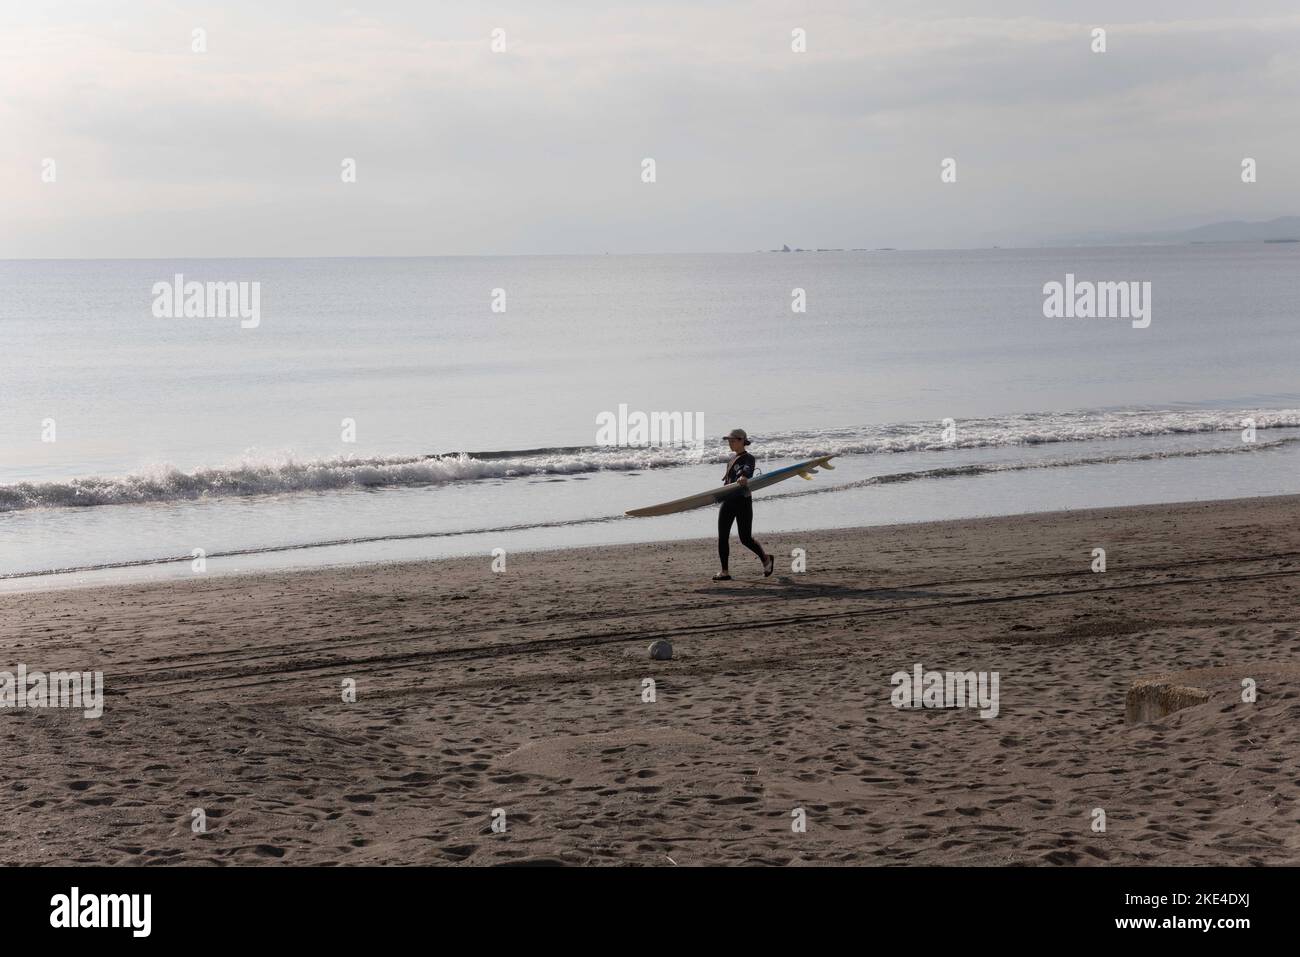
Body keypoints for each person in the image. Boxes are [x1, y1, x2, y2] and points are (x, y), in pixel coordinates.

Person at [714, 429, 775, 581]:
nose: (730, 443)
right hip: (728, 501)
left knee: (745, 538)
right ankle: (725, 571)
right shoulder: (731, 459)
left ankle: (766, 558)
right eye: (728, 440)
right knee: (722, 537)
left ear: (742, 440)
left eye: (732, 440)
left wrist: (743, 476)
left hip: (742, 501)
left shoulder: (749, 458)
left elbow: (748, 470)